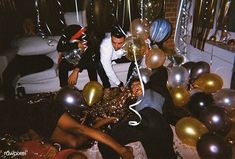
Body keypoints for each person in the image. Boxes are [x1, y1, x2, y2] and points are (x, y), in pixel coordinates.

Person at [0, 99, 134, 159]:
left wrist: (44, 144)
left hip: (41, 112)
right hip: (38, 128)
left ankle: (122, 150)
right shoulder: (9, 147)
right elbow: (23, 134)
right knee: (74, 143)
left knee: (78, 129)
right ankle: (97, 124)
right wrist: (45, 144)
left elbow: (23, 116)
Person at [98, 78, 177, 159]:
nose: (135, 86)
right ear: (133, 93)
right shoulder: (133, 105)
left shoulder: (154, 89)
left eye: (138, 83)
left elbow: (160, 74)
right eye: (133, 86)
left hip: (158, 121)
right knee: (105, 143)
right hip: (146, 130)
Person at [2, 18, 54, 100]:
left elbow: (47, 43)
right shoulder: (19, 37)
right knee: (7, 73)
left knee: (48, 62)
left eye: (30, 23)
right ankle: (9, 100)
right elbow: (13, 45)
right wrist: (25, 36)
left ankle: (20, 75)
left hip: (36, 58)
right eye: (26, 24)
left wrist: (33, 35)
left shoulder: (40, 34)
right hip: (22, 59)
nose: (28, 25)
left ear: (34, 25)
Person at [97, 25, 132, 90]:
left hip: (123, 55)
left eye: (119, 43)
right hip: (110, 57)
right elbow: (107, 68)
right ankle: (107, 87)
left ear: (125, 38)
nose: (116, 46)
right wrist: (119, 84)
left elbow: (145, 40)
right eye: (113, 42)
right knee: (100, 65)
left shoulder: (130, 37)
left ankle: (130, 84)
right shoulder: (105, 45)